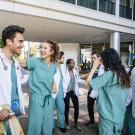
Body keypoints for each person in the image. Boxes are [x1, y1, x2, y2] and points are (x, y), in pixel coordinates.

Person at [85, 48, 130, 135]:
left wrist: (94, 67)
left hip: (107, 116)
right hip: (119, 115)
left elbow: (87, 85)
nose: (100, 61)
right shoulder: (123, 74)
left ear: (106, 60)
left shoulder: (109, 75)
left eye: (101, 59)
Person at [20, 40, 59, 135]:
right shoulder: (35, 61)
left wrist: (53, 85)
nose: (41, 50)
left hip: (48, 98)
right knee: (35, 124)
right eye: (41, 47)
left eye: (45, 48)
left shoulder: (54, 66)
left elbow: (51, 77)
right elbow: (19, 62)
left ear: (51, 51)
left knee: (48, 124)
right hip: (36, 97)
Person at [0, 25, 25, 134]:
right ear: (9, 41)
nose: (22, 45)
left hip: (14, 111)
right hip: (2, 112)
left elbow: (16, 84)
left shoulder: (15, 63)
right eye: (20, 41)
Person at [63, 59, 81, 131]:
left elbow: (78, 80)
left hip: (73, 92)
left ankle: (75, 123)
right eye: (72, 63)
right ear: (67, 64)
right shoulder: (64, 72)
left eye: (74, 63)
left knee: (77, 108)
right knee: (67, 108)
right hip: (67, 92)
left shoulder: (75, 72)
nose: (73, 64)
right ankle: (67, 123)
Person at [53, 51, 66, 133]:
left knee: (61, 108)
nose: (64, 59)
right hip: (53, 92)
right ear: (58, 59)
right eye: (63, 58)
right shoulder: (52, 66)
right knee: (50, 110)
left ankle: (61, 125)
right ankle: (50, 126)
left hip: (60, 92)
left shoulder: (61, 67)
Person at [123, 58, 135, 135]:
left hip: (131, 100)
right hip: (131, 100)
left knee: (130, 122)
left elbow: (131, 87)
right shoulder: (132, 70)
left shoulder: (133, 70)